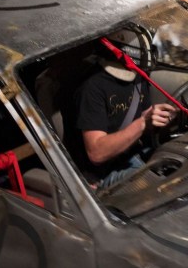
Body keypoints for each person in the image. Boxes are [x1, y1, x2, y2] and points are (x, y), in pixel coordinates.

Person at [74, 28, 176, 189]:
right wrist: (143, 123)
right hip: (103, 173)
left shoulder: (138, 76)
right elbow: (96, 153)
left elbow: (144, 116)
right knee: (158, 185)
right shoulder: (92, 88)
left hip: (132, 153)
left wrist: (158, 117)